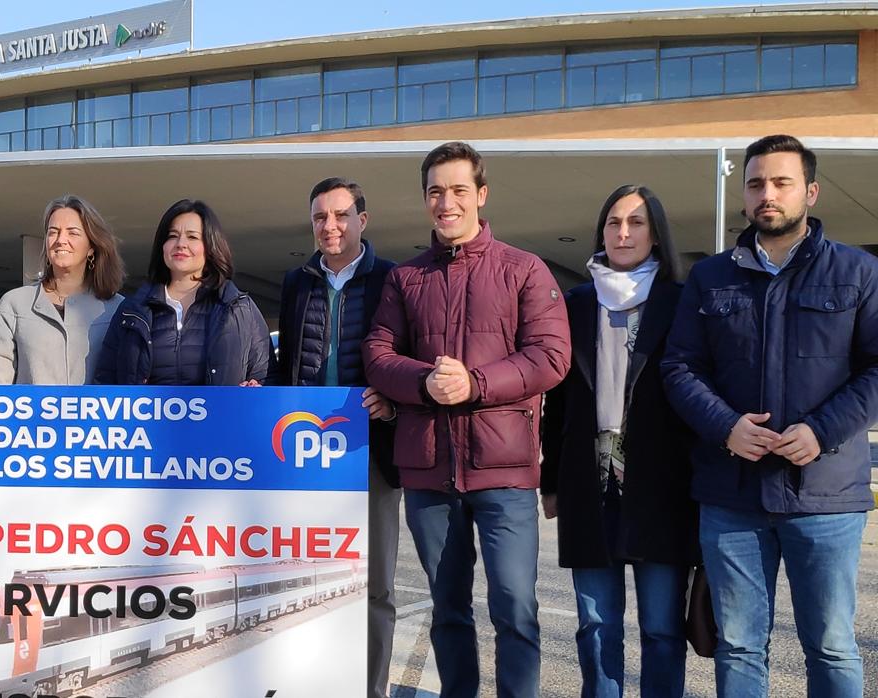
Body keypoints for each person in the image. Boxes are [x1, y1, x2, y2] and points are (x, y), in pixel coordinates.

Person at [662, 134, 877, 697]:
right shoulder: (710, 278)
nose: (767, 194)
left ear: (810, 190)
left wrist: (820, 431)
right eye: (756, 183)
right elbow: (680, 369)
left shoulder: (858, 272)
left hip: (824, 497)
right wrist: (726, 427)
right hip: (732, 497)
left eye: (781, 182)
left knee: (831, 645)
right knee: (737, 645)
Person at [363, 141, 570, 698]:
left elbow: (551, 357)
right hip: (429, 472)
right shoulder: (405, 279)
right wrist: (425, 384)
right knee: (448, 609)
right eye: (435, 191)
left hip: (503, 472)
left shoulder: (524, 269)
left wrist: (473, 384)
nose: (446, 203)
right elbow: (378, 353)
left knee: (515, 608)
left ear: (481, 194)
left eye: (458, 190)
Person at [540, 185, 696, 698]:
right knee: (596, 626)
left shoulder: (680, 300)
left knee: (662, 630)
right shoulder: (576, 302)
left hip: (663, 487)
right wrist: (550, 480)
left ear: (657, 235)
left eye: (637, 222)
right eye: (613, 222)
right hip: (589, 483)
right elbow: (557, 399)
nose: (623, 233)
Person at [275, 177, 400, 698]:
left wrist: (393, 399)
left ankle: (369, 690)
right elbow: (287, 368)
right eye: (320, 218)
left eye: (342, 215)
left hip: (369, 449)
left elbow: (401, 356)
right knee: (305, 580)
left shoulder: (393, 279)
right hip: (304, 451)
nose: (330, 227)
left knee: (375, 585)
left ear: (362, 221)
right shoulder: (296, 281)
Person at [95, 199, 269, 386]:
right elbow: (106, 382)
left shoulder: (239, 308)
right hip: (149, 415)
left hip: (221, 414)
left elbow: (266, 377)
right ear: (162, 245)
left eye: (192, 237)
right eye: (172, 236)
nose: (181, 244)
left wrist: (255, 389)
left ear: (210, 246)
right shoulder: (131, 311)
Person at [0, 195, 124, 385]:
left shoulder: (118, 309)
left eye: (73, 233)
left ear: (91, 247)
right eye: (53, 232)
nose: (61, 240)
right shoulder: (14, 304)